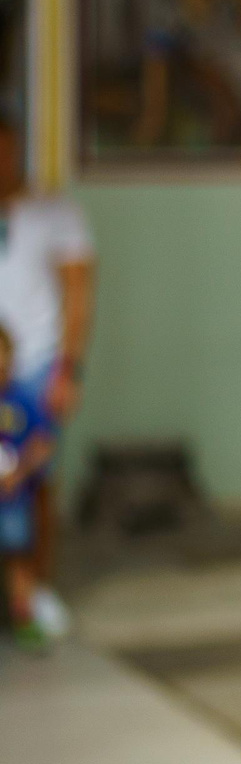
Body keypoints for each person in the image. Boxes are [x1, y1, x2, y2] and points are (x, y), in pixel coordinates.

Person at [0, 111, 92, 649]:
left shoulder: (55, 213)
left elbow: (80, 292)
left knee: (35, 482)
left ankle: (34, 592)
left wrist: (68, 367)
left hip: (35, 362)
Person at [0, 323, 58, 648]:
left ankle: (25, 617)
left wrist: (20, 473)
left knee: (19, 558)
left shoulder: (21, 398)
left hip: (12, 500)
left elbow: (43, 441)